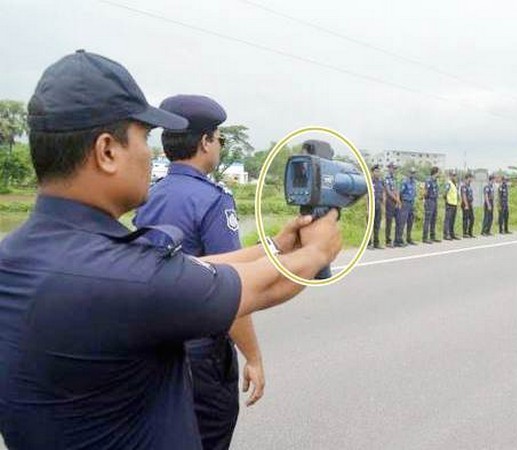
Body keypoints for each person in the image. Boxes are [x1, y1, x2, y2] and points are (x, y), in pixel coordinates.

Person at [0, 50, 342, 450]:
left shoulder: (20, 257)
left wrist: (276, 246)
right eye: (144, 138)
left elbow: (187, 267)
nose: (153, 153)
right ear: (107, 151)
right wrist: (316, 252)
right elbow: (253, 289)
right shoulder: (122, 277)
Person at [133, 95, 263, 450]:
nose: (219, 144)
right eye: (218, 136)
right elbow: (230, 287)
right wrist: (253, 357)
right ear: (205, 142)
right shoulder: (212, 199)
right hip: (200, 357)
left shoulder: (149, 195)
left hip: (151, 350)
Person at [396, 168, 418, 247]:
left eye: (414, 173)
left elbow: (414, 193)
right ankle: (399, 240)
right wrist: (399, 201)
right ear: (408, 173)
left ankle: (409, 238)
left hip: (411, 203)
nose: (412, 174)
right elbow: (399, 191)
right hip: (405, 203)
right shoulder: (405, 181)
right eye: (411, 172)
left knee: (410, 221)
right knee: (402, 222)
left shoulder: (414, 182)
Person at [368, 164, 386, 249]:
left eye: (378, 171)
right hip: (371, 205)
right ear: (372, 172)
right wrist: (367, 209)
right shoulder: (370, 181)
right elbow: (366, 196)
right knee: (370, 225)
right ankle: (368, 243)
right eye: (376, 171)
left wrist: (383, 207)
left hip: (378, 205)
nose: (377, 173)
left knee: (377, 225)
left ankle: (376, 243)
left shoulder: (381, 181)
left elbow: (382, 194)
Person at [384, 163, 400, 248]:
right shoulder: (386, 178)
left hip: (396, 202)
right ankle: (388, 241)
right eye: (393, 168)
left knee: (398, 221)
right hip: (390, 202)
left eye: (395, 168)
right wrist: (396, 199)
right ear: (389, 168)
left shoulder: (395, 178)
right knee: (389, 222)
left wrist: (398, 200)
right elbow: (388, 191)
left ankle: (397, 240)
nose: (394, 170)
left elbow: (397, 189)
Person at [422, 166, 440, 244]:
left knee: (434, 219)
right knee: (428, 219)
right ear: (435, 172)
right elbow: (425, 192)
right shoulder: (429, 180)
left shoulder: (435, 181)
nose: (439, 174)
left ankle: (432, 236)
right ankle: (425, 238)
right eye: (438, 172)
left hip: (434, 200)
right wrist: (425, 200)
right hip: (429, 201)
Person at [443, 169, 460, 240]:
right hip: (449, 204)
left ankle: (451, 233)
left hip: (454, 204)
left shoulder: (455, 184)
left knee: (452, 220)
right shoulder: (449, 183)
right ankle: (446, 234)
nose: (454, 177)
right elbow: (445, 193)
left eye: (455, 175)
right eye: (453, 175)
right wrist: (447, 201)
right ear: (450, 176)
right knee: (448, 220)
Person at [460, 172, 475, 238]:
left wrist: (471, 203)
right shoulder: (464, 186)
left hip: (470, 203)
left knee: (472, 218)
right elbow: (464, 196)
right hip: (465, 203)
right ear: (468, 178)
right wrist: (466, 205)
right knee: (465, 219)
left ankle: (470, 232)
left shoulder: (469, 186)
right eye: (471, 178)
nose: (471, 180)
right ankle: (465, 233)